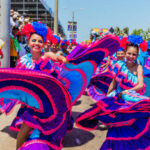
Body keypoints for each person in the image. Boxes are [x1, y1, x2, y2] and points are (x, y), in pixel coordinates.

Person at [76, 36, 150, 150]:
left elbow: (140, 85)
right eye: (129, 53)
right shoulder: (119, 65)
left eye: (134, 54)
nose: (131, 57)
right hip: (118, 101)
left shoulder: (139, 67)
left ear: (137, 55)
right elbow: (113, 83)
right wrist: (106, 99)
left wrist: (127, 91)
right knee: (115, 127)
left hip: (131, 101)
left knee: (132, 126)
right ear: (125, 52)